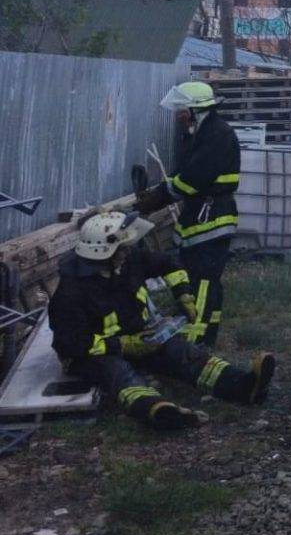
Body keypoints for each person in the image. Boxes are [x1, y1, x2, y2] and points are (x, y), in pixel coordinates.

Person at [50, 211, 275, 431]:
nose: (127, 252)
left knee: (181, 351)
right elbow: (71, 344)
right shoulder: (71, 293)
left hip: (140, 337)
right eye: (122, 248)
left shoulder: (130, 262)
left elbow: (168, 264)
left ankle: (244, 386)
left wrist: (182, 292)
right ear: (104, 253)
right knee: (117, 371)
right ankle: (156, 412)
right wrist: (123, 345)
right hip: (94, 355)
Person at [133, 80, 242, 348]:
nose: (180, 117)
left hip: (212, 216)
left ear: (196, 110)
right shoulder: (201, 133)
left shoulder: (217, 134)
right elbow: (185, 175)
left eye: (183, 111)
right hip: (203, 214)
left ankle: (195, 341)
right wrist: (161, 191)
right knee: (203, 279)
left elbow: (190, 180)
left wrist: (157, 197)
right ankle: (206, 333)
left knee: (203, 281)